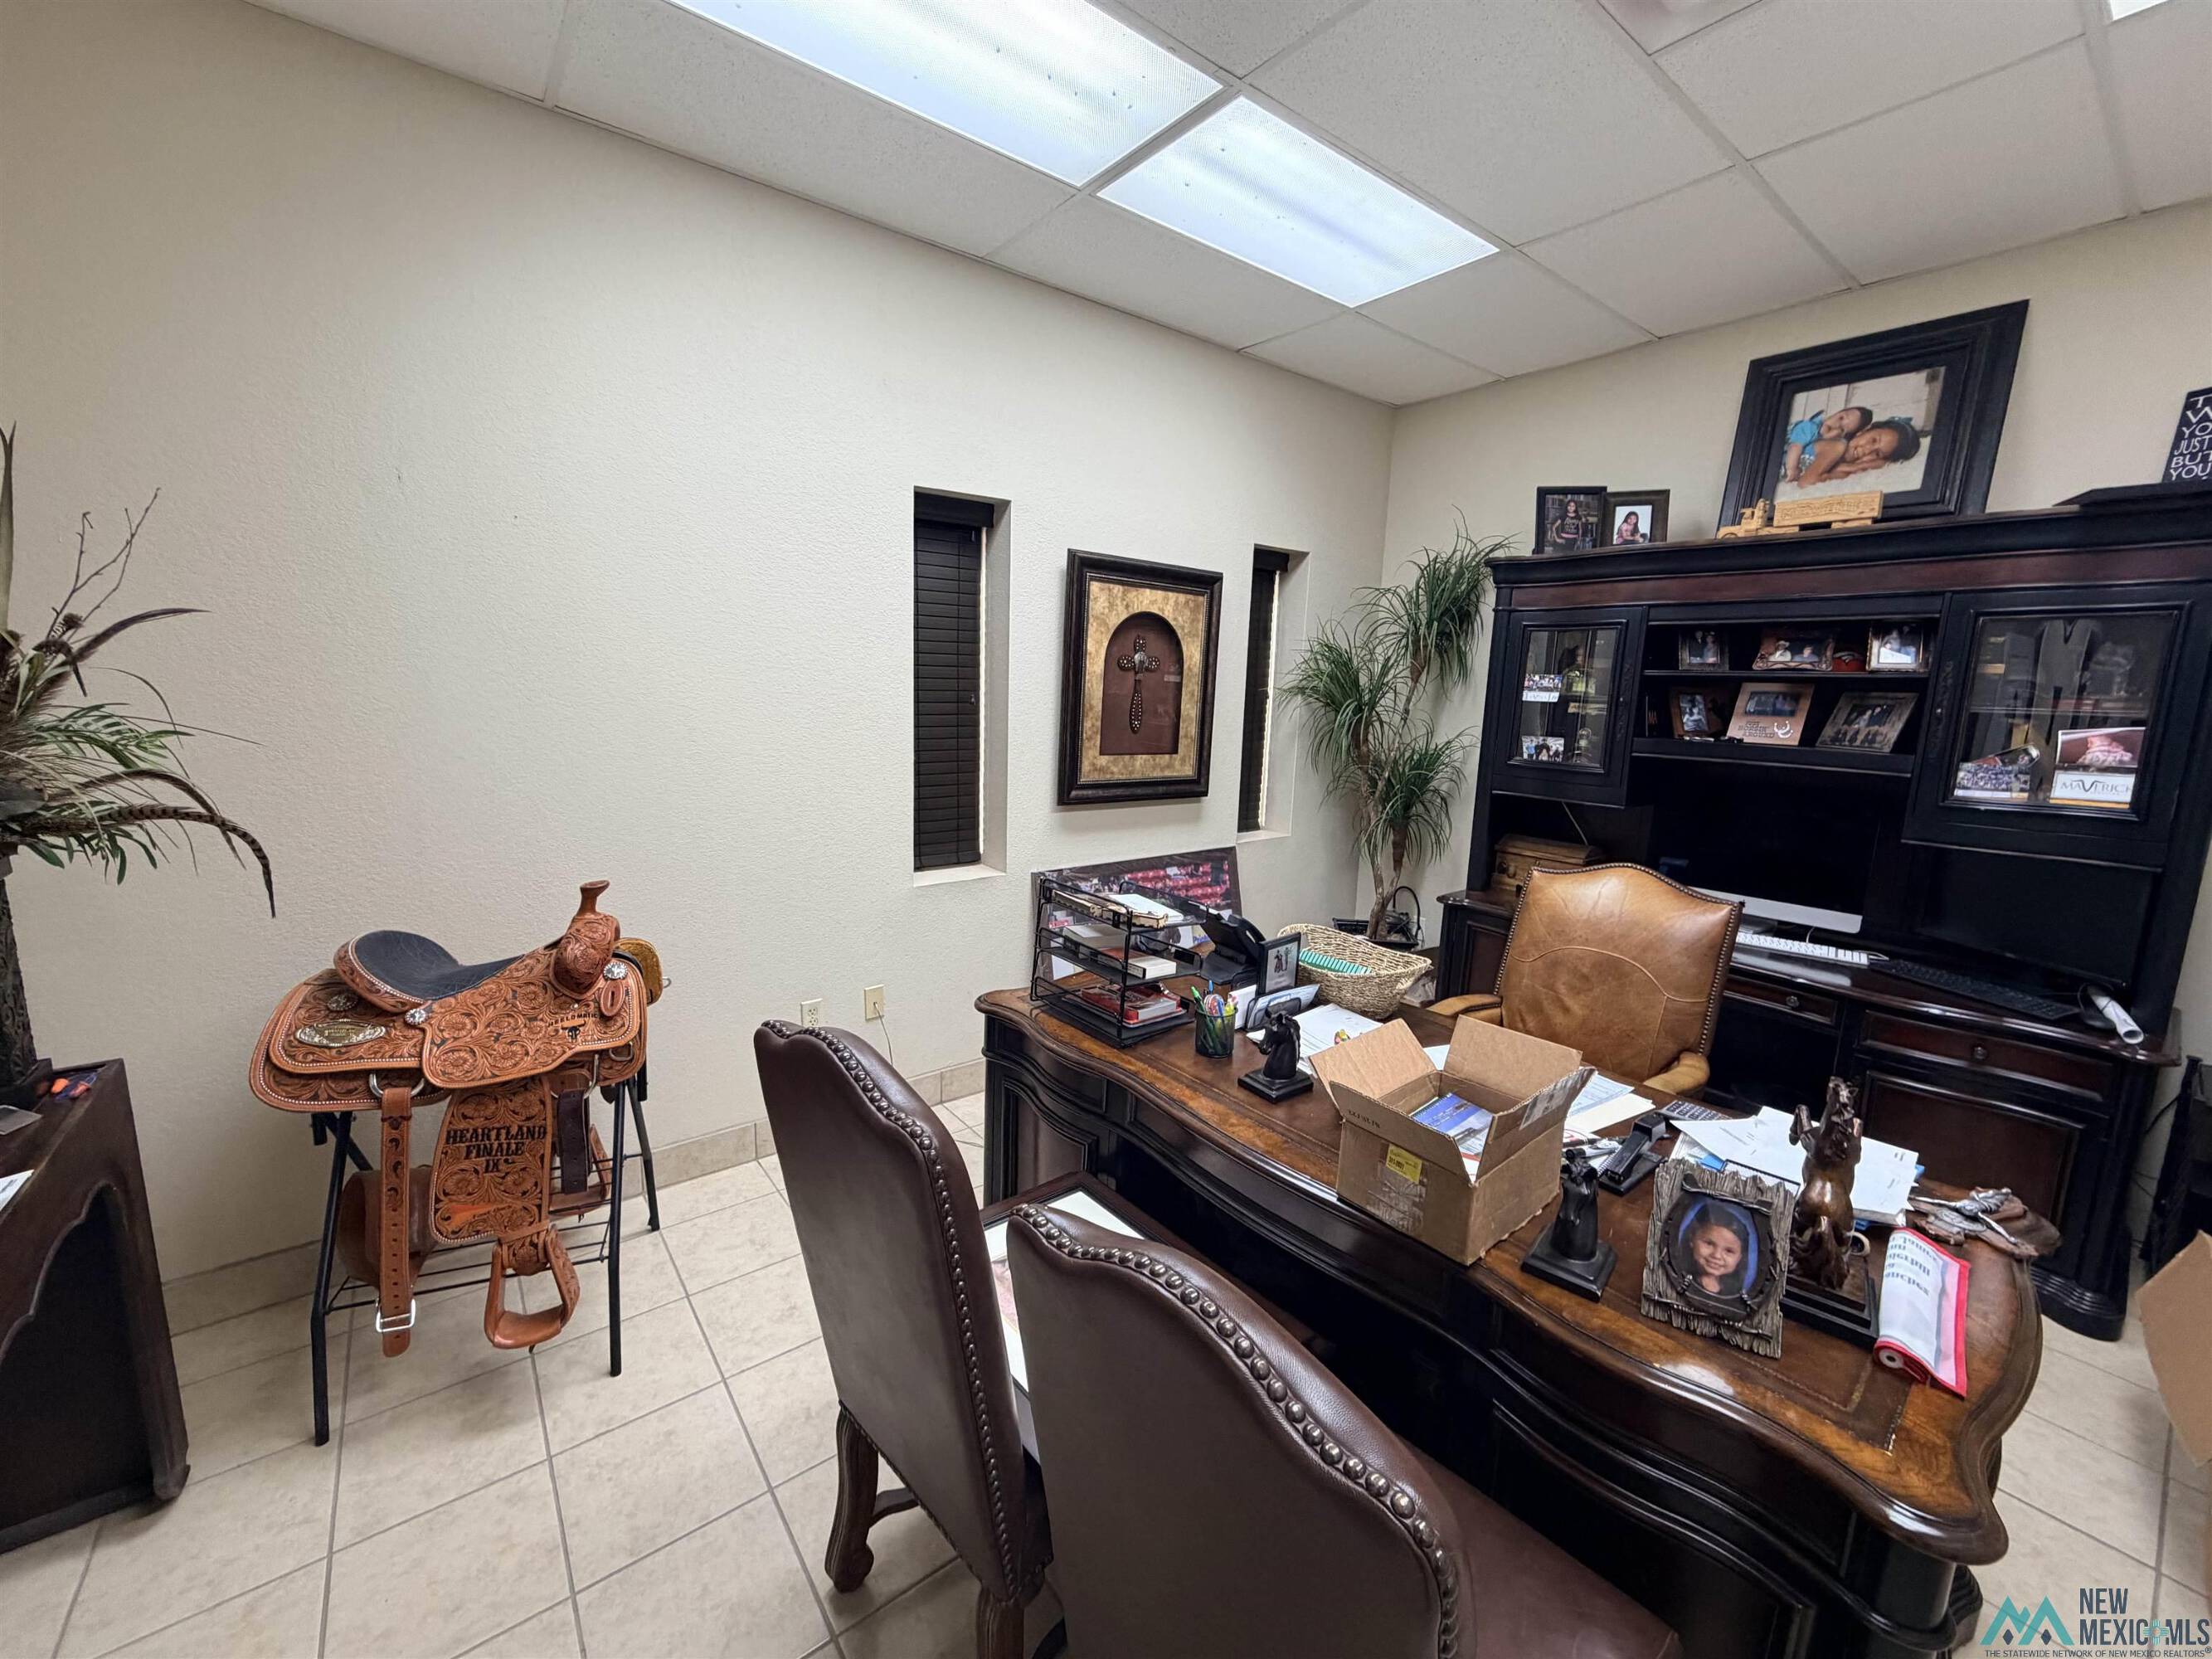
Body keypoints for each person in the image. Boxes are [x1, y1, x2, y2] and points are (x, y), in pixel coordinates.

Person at [1796, 418, 1922, 489]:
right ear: (1864, 431)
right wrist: (1855, 467)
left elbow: (1824, 478)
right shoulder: (1838, 445)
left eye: (1877, 454)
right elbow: (1806, 483)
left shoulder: (1843, 471)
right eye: (1873, 440)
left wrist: (1857, 467)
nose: (1868, 450)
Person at [1783, 405, 1873, 481]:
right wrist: (1792, 469)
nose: (1837, 425)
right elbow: (1795, 447)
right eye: (1841, 418)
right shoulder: (1809, 427)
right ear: (1836, 413)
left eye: (1842, 429)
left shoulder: (1829, 448)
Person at [1685, 1204, 1753, 1298]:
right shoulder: (1682, 1278)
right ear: (1692, 1239)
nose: (1716, 1255)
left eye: (1729, 1251)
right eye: (1709, 1244)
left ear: (1739, 1258)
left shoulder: (1734, 1293)